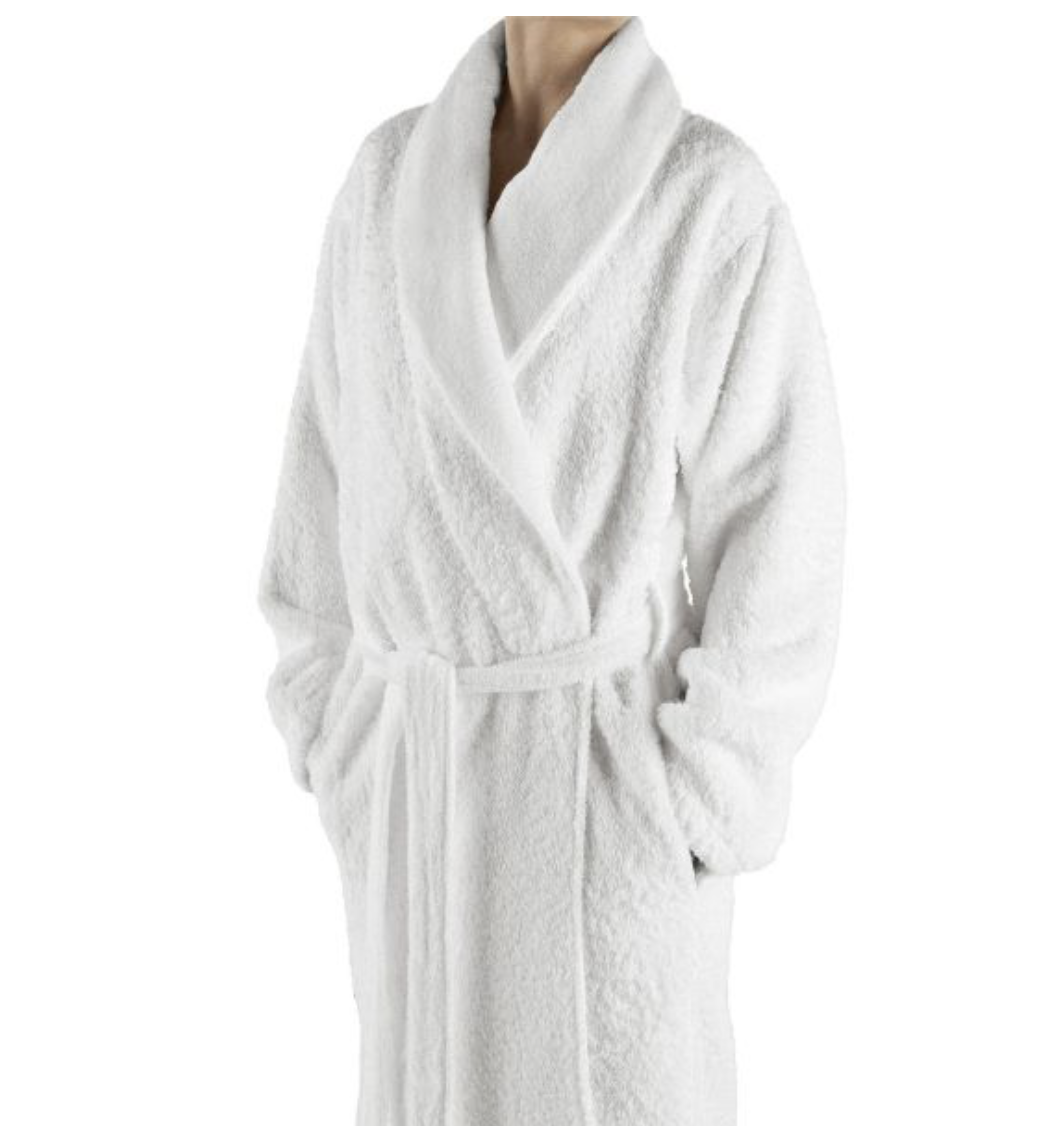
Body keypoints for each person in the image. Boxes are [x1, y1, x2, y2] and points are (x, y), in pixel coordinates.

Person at [259, 15, 845, 1126]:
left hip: (602, 854)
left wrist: (687, 805)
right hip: (422, 833)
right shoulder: (384, 185)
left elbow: (787, 539)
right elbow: (315, 517)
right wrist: (352, 758)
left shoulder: (707, 197)